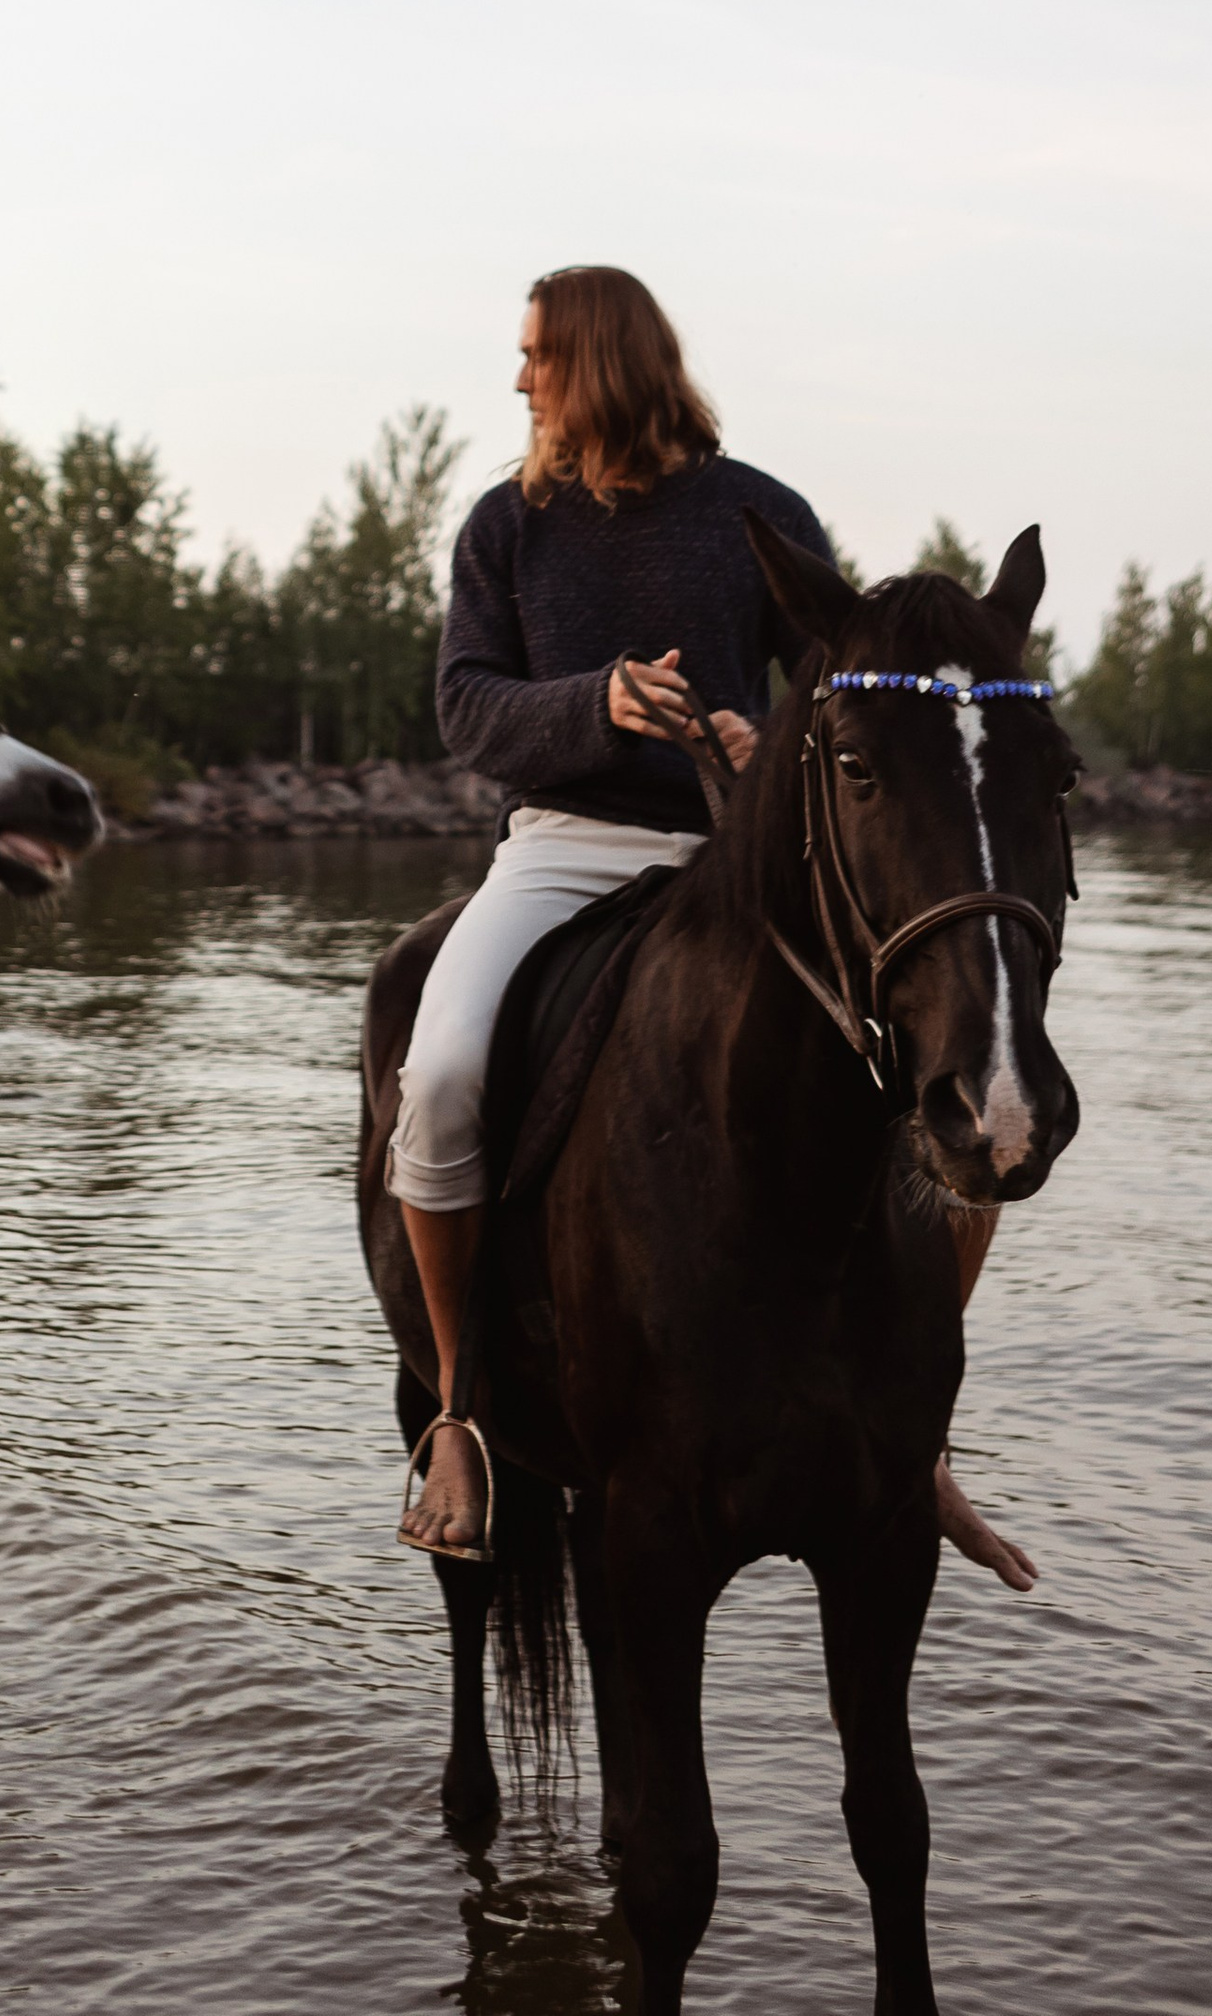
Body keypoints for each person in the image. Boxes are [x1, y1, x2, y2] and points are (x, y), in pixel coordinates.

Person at [390, 265, 1032, 1591]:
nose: (520, 381)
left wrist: (766, 736)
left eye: (536, 357)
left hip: (733, 860)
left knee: (955, 1073)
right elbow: (465, 711)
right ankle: (456, 1411)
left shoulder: (759, 514)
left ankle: (914, 1430)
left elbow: (853, 703)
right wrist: (598, 707)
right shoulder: (507, 527)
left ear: (601, 358)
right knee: (444, 1073)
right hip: (563, 854)